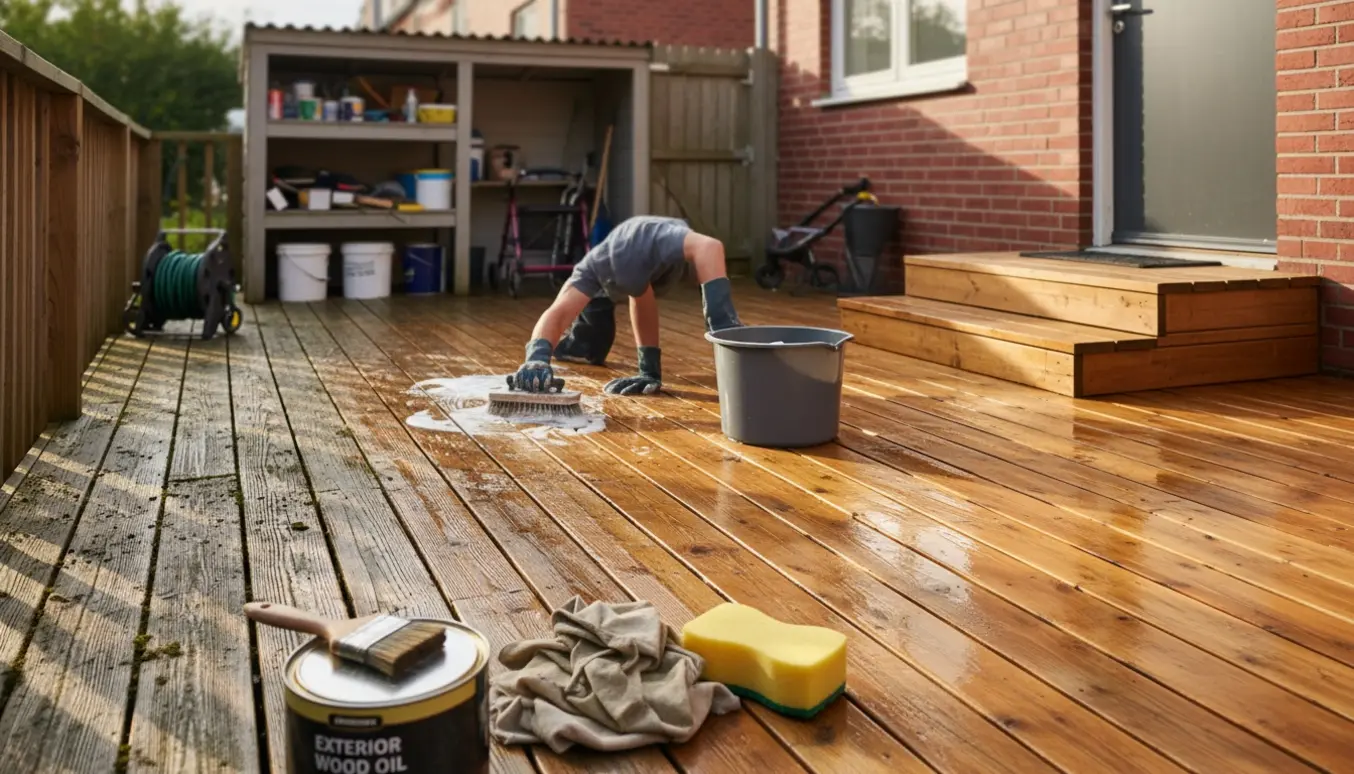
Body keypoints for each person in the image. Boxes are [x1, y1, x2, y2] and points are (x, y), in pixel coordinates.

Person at [511, 215, 741, 395]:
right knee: (590, 348)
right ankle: (569, 347)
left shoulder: (656, 238)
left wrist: (722, 327)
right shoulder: (590, 269)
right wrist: (536, 358)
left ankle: (576, 344)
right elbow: (559, 312)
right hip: (604, 288)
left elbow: (710, 247)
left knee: (629, 297)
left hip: (639, 252)